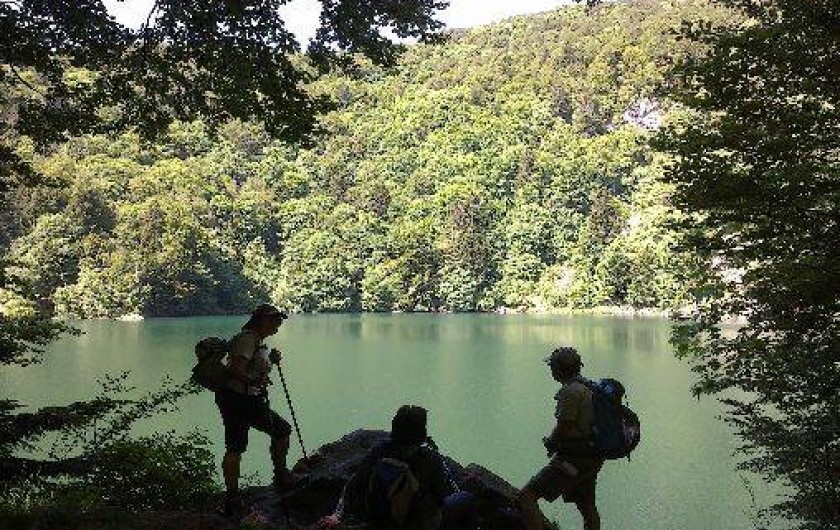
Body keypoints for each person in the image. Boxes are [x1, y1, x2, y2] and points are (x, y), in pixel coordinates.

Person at [319, 405, 476, 530]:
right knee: (466, 498)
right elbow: (442, 496)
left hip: (378, 521)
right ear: (422, 433)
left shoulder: (380, 449)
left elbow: (356, 482)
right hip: (419, 525)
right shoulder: (430, 458)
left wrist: (337, 515)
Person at [215, 303, 301, 515]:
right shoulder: (247, 339)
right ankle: (280, 474)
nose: (278, 324)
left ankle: (233, 497)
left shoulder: (256, 341)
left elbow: (251, 367)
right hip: (242, 400)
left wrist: (270, 361)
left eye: (279, 321)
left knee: (235, 446)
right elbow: (237, 369)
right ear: (261, 320)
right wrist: (255, 382)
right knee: (281, 430)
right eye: (274, 320)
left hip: (236, 398)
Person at [517, 347, 604, 530]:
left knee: (526, 497)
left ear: (559, 369)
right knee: (586, 505)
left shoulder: (570, 392)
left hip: (573, 459)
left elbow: (565, 425)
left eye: (552, 366)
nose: (551, 370)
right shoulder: (588, 387)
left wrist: (551, 442)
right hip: (592, 456)